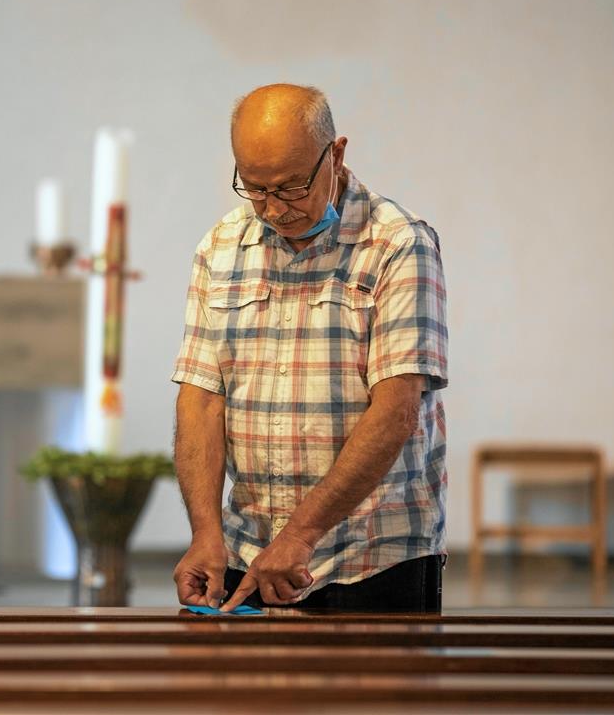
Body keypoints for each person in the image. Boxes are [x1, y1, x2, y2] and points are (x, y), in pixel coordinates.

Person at [171, 84, 448, 613]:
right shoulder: (221, 247)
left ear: (336, 155)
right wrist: (206, 533)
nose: (274, 208)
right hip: (248, 556)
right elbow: (201, 398)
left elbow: (396, 410)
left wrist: (301, 535)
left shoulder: (397, 244)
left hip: (372, 559)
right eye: (254, 188)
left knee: (373, 701)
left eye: (292, 187)